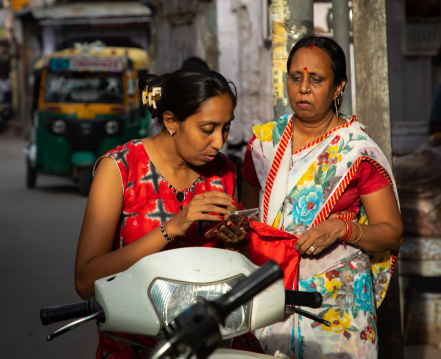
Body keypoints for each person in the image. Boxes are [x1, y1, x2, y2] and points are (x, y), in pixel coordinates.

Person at [241, 36, 403, 358]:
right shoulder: (263, 146)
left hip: (339, 309)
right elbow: (248, 217)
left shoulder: (357, 152)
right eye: (296, 77)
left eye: (316, 80)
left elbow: (391, 232)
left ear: (338, 86)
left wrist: (343, 229)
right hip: (273, 296)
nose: (303, 89)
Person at [74, 66, 249, 358]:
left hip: (214, 344)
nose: (219, 142)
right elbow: (85, 282)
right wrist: (173, 227)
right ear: (171, 121)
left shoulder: (224, 172)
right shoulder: (120, 170)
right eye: (208, 129)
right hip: (134, 348)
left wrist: (236, 241)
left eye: (226, 127)